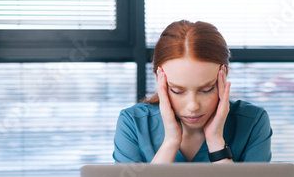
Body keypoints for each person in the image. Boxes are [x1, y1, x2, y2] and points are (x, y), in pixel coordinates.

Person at [113, 20, 272, 163]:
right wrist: (170, 142)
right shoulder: (133, 123)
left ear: (223, 76)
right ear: (159, 80)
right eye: (177, 91)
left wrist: (216, 142)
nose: (193, 106)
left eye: (206, 89)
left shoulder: (253, 122)